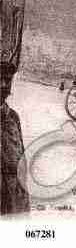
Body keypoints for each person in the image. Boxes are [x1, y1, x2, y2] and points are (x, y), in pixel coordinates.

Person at [1, 60, 30, 215]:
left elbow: (21, 156)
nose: (4, 85)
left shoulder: (13, 117)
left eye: (8, 80)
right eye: (0, 79)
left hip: (12, 189)